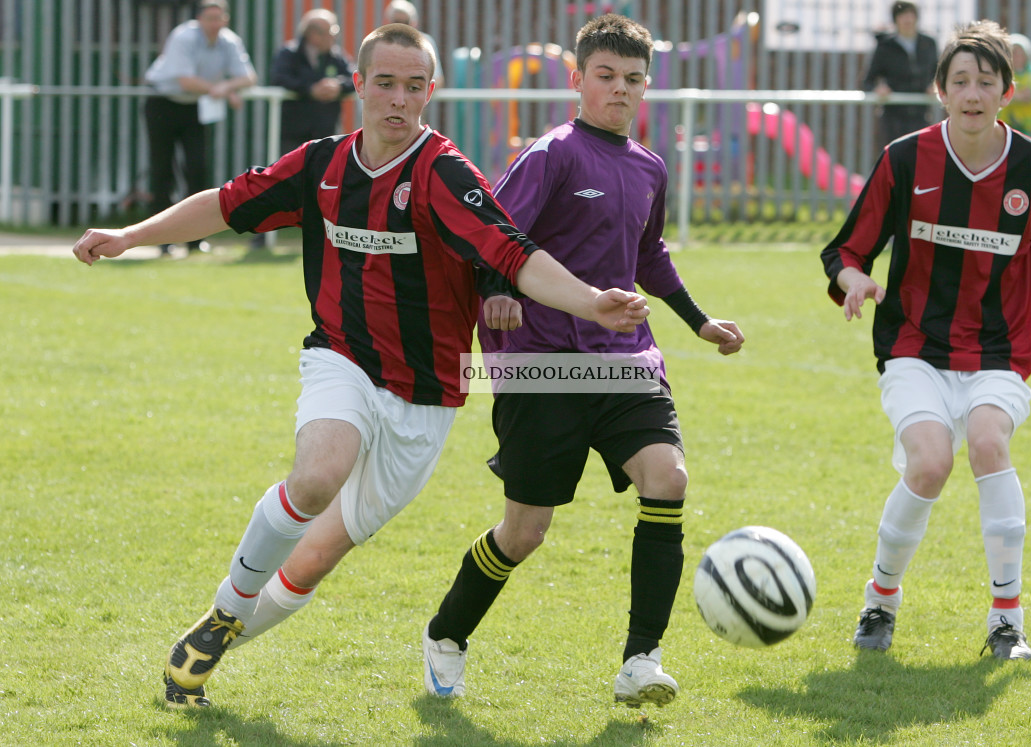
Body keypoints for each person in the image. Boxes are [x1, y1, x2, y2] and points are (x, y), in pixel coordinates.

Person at [73, 23, 650, 710]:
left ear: (431, 92)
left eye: (414, 87)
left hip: (428, 397)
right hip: (340, 358)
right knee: (317, 474)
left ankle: (207, 650)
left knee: (315, 556)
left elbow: (516, 256)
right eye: (386, 84)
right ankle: (227, 609)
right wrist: (130, 235)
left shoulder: (444, 174)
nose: (398, 101)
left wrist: (591, 302)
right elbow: (224, 205)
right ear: (360, 84)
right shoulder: (321, 165)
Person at [421, 14, 744, 708]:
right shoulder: (554, 154)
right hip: (543, 364)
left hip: (627, 358)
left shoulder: (651, 167)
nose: (619, 90)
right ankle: (447, 633)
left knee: (668, 476)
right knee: (525, 530)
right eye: (606, 76)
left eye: (633, 79)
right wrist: (499, 292)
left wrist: (699, 321)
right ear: (577, 80)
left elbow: (648, 256)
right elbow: (496, 233)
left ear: (645, 87)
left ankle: (641, 659)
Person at [822, 20, 1031, 661]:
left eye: (986, 82)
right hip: (915, 342)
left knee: (990, 443)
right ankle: (879, 602)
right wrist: (855, 279)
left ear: (1008, 92)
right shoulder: (905, 159)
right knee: (930, 463)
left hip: (1003, 344)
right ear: (940, 91)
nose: (973, 93)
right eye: (961, 81)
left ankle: (1008, 620)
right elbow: (845, 249)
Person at [144, 0, 256, 257]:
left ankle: (195, 239)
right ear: (199, 20)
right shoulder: (183, 36)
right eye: (209, 18)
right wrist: (219, 90)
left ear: (225, 19)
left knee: (198, 167)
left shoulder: (229, 40)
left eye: (219, 18)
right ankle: (163, 241)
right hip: (163, 104)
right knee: (162, 170)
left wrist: (225, 89)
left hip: (195, 108)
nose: (215, 23)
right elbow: (185, 81)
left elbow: (249, 77)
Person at [251, 9, 356, 250]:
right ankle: (263, 235)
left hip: (326, 133)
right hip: (293, 132)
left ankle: (331, 239)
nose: (334, 37)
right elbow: (279, 78)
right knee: (280, 181)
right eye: (331, 32)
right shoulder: (289, 53)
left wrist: (337, 86)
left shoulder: (336, 56)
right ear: (312, 34)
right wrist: (311, 88)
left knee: (328, 183)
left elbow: (354, 78)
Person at [863, 1, 939, 151]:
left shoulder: (929, 43)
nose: (908, 20)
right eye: (903, 16)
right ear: (895, 20)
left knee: (920, 159)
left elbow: (938, 73)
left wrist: (935, 85)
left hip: (921, 115)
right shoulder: (885, 46)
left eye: (911, 16)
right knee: (894, 159)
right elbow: (868, 81)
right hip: (893, 117)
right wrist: (879, 89)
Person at [385, 0, 444, 89]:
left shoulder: (425, 42)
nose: (401, 27)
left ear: (413, 23)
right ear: (389, 22)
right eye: (396, 22)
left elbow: (437, 80)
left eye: (405, 22)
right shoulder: (379, 42)